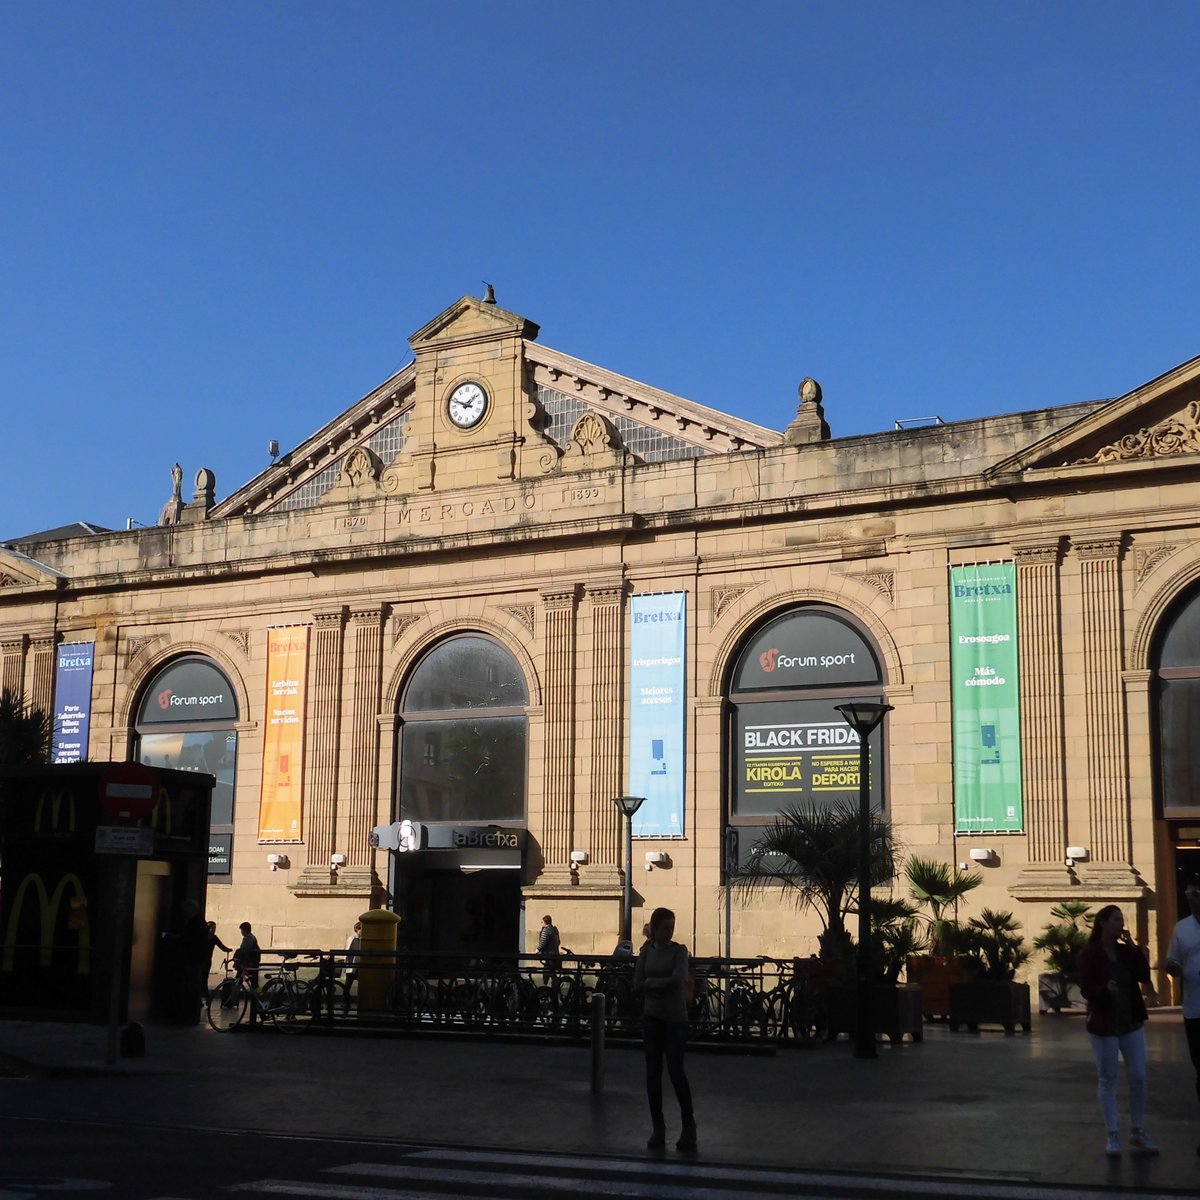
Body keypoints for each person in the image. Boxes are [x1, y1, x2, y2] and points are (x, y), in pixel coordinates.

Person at [1078, 904, 1158, 1156]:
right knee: (1108, 1077)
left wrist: (1135, 949)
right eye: (1116, 919)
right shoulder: (1090, 954)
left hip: (1130, 1020)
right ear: (1102, 923)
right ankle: (1112, 1134)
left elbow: (1144, 977)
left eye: (1122, 920)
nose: (1120, 924)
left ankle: (1137, 1130)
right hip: (1104, 1022)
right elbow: (1086, 988)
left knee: (1138, 1076)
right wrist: (1105, 989)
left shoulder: (1126, 952)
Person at [634, 906, 696, 1151]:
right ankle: (658, 1128)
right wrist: (656, 984)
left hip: (675, 1019)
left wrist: (652, 983)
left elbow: (679, 978)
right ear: (655, 927)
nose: (669, 932)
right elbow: (637, 984)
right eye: (665, 927)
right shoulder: (646, 953)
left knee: (676, 1071)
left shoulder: (679, 951)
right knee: (653, 1074)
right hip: (652, 1018)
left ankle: (688, 1125)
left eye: (672, 927)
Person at [1164, 876, 1200, 1156]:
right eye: (1189, 893)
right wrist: (1172, 967)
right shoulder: (1182, 928)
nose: (1191, 898)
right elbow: (1172, 959)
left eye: (1196, 893)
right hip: (1194, 1010)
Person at [204, 920, 232, 997]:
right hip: (201, 960)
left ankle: (205, 996)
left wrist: (227, 950)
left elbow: (221, 946)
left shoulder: (214, 938)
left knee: (205, 978)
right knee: (201, 978)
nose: (214, 930)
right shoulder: (203, 936)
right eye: (212, 928)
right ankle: (203, 996)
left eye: (215, 928)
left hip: (207, 960)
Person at [233, 921, 262, 988]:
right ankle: (256, 996)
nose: (241, 932)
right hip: (253, 962)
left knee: (238, 978)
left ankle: (234, 995)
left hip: (249, 962)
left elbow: (244, 950)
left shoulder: (247, 939)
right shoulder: (252, 937)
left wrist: (238, 959)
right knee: (254, 983)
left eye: (242, 930)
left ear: (245, 930)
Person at [537, 914, 561, 983]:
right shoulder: (554, 930)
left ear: (545, 922)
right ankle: (553, 985)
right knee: (552, 971)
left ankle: (546, 987)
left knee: (547, 971)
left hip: (549, 954)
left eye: (542, 922)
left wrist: (537, 950)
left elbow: (543, 942)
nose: (541, 923)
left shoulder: (546, 930)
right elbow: (558, 942)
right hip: (555, 954)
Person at [344, 920, 362, 984]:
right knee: (348, 983)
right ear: (357, 929)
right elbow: (347, 950)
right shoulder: (352, 939)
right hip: (351, 965)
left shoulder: (361, 939)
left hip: (358, 966)